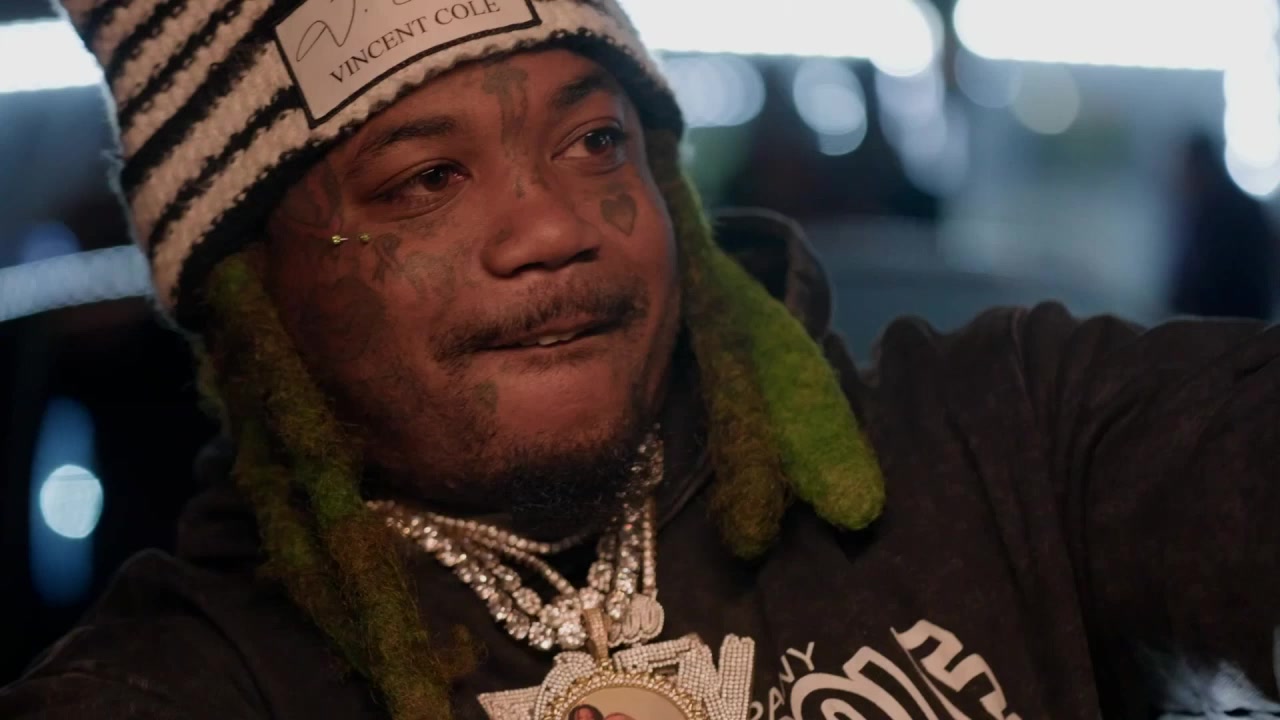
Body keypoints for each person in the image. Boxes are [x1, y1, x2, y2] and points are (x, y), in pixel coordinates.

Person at [2, 1, 1279, 718]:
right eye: (426, 178)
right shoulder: (187, 682)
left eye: (595, 142)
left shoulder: (1001, 442)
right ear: (255, 299)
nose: (553, 226)